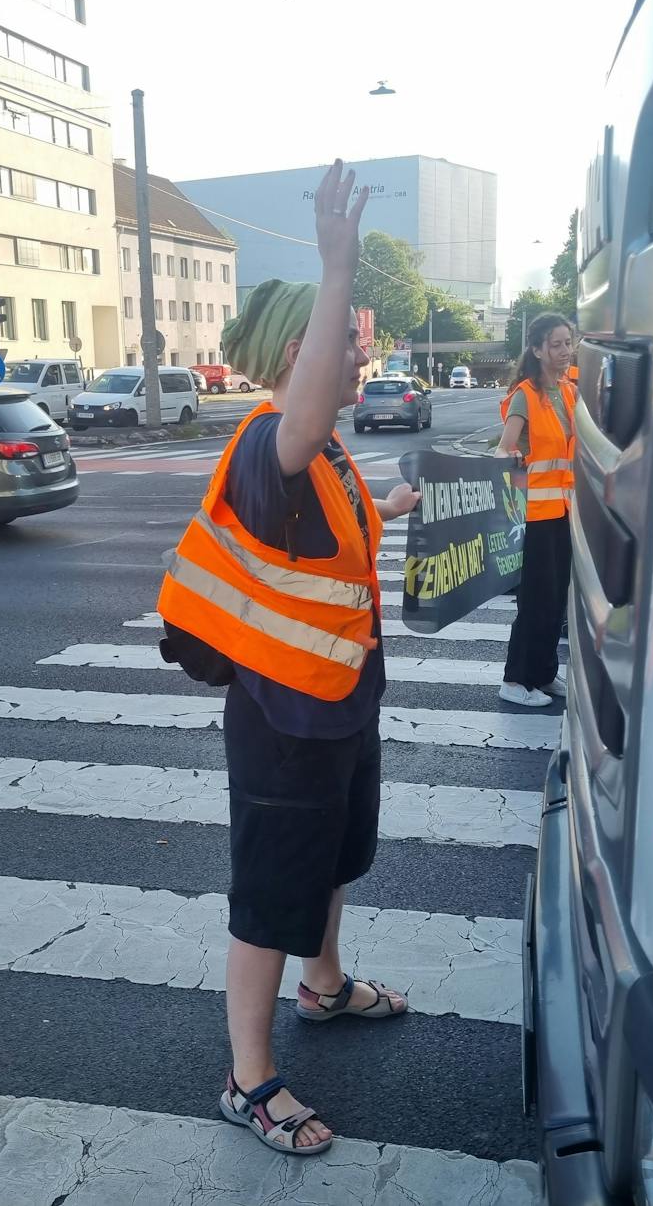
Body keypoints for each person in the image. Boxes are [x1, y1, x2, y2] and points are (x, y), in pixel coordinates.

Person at [156, 160, 421, 1158]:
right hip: (282, 725)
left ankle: (323, 987)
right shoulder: (275, 437)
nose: (357, 361)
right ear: (292, 353)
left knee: (329, 863)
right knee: (271, 895)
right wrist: (336, 265)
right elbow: (302, 426)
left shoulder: (330, 460)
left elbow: (323, 548)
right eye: (340, 347)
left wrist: (389, 511)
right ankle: (249, 1079)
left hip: (338, 709)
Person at [494, 312, 576, 707]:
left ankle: (543, 673)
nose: (564, 351)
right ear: (538, 349)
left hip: (563, 513)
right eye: (556, 344)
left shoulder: (569, 392)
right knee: (535, 600)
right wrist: (514, 463)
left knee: (556, 597)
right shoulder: (526, 394)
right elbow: (504, 448)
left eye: (567, 343)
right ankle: (515, 680)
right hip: (532, 518)